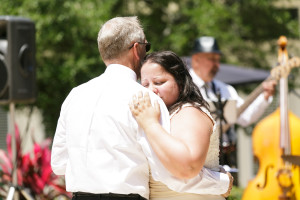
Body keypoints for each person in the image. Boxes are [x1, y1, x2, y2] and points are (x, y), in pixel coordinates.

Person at [51, 17, 231, 200]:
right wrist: (221, 182)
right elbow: (169, 174)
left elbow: (59, 164)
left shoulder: (75, 95)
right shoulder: (145, 99)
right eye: (147, 47)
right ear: (137, 49)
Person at [129, 50, 233, 200]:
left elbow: (187, 167)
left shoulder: (189, 112)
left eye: (159, 82)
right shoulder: (152, 115)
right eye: (145, 84)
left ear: (179, 81)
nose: (151, 89)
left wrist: (150, 123)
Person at [189, 36, 277, 167]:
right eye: (212, 59)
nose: (217, 65)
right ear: (196, 60)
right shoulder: (184, 87)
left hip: (225, 158)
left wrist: (265, 97)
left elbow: (246, 118)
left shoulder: (225, 89)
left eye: (218, 60)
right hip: (194, 157)